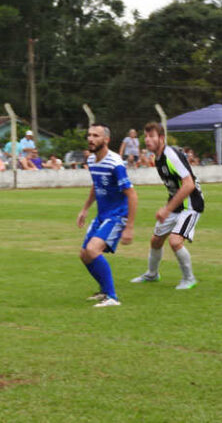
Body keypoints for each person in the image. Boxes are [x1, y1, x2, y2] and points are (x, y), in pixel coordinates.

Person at [131, 122, 204, 290]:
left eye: (152, 136)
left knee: (175, 241)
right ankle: (152, 275)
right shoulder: (157, 157)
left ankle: (189, 278)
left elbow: (189, 185)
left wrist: (167, 209)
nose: (147, 140)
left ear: (162, 138)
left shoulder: (171, 155)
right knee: (156, 240)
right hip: (176, 203)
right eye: (146, 136)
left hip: (191, 204)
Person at [76, 123, 137, 307]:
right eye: (89, 135)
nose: (91, 139)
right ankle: (104, 291)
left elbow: (132, 195)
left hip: (117, 215)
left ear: (106, 140)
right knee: (84, 254)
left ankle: (112, 297)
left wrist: (129, 227)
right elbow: (96, 186)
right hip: (102, 214)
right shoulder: (92, 161)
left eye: (96, 135)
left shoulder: (115, 163)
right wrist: (85, 208)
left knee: (93, 250)